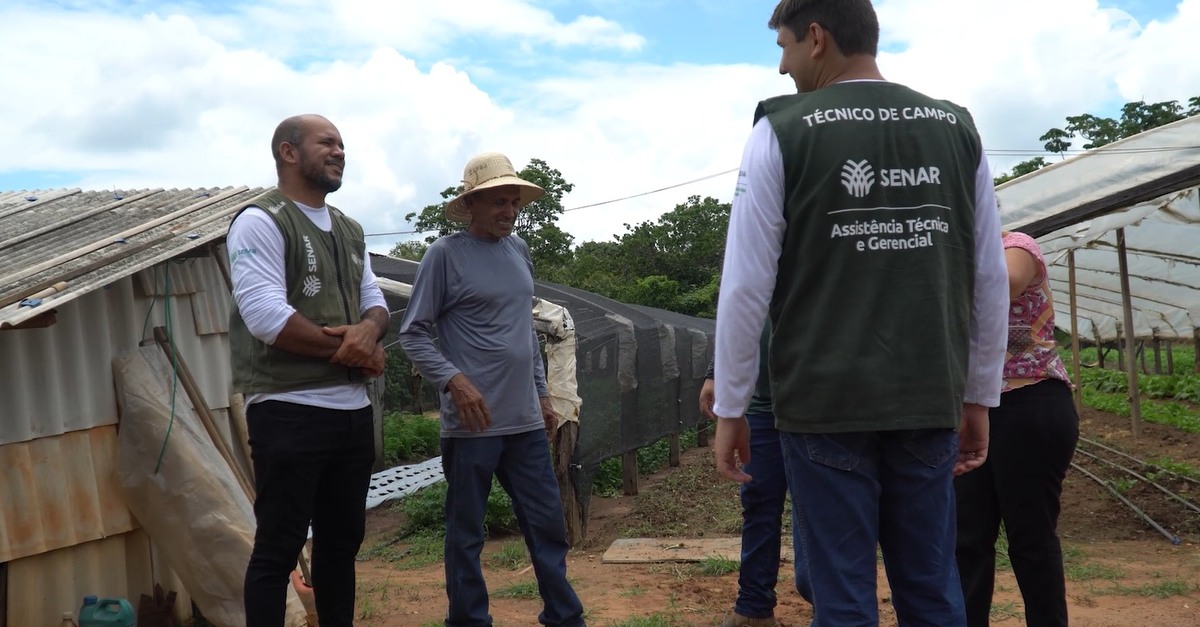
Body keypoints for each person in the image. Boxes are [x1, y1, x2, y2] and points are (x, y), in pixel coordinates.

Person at [710, 1, 1010, 626]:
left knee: (842, 592)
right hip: (928, 396)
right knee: (929, 583)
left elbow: (745, 286)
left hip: (824, 404)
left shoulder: (783, 128)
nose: (785, 67)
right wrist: (979, 394)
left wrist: (732, 407)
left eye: (785, 48)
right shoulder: (957, 128)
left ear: (816, 38)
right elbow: (986, 275)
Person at [399, 152, 586, 627]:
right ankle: (468, 620)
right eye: (500, 201)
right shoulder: (445, 254)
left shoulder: (517, 250)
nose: (510, 211)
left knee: (546, 524)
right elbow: (414, 332)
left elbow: (524, 329)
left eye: (515, 202)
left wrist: (543, 395)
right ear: (473, 204)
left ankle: (564, 616)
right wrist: (454, 380)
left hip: (523, 420)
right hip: (472, 425)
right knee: (467, 534)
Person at [228, 114, 389, 627]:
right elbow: (266, 317)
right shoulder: (261, 219)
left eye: (342, 144)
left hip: (352, 415)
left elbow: (375, 302)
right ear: (288, 152)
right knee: (278, 548)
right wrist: (355, 351)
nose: (339, 151)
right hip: (288, 410)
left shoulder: (348, 228)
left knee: (341, 547)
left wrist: (369, 332)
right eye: (327, 143)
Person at [954, 231, 1079, 627]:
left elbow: (1003, 284)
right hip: (966, 409)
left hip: (1028, 403)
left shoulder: (1016, 247)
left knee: (1031, 539)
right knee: (966, 541)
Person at [700, 322, 812, 627]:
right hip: (762, 404)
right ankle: (753, 608)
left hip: (817, 406)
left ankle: (828, 601)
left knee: (817, 505)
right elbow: (740, 306)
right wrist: (715, 372)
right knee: (759, 499)